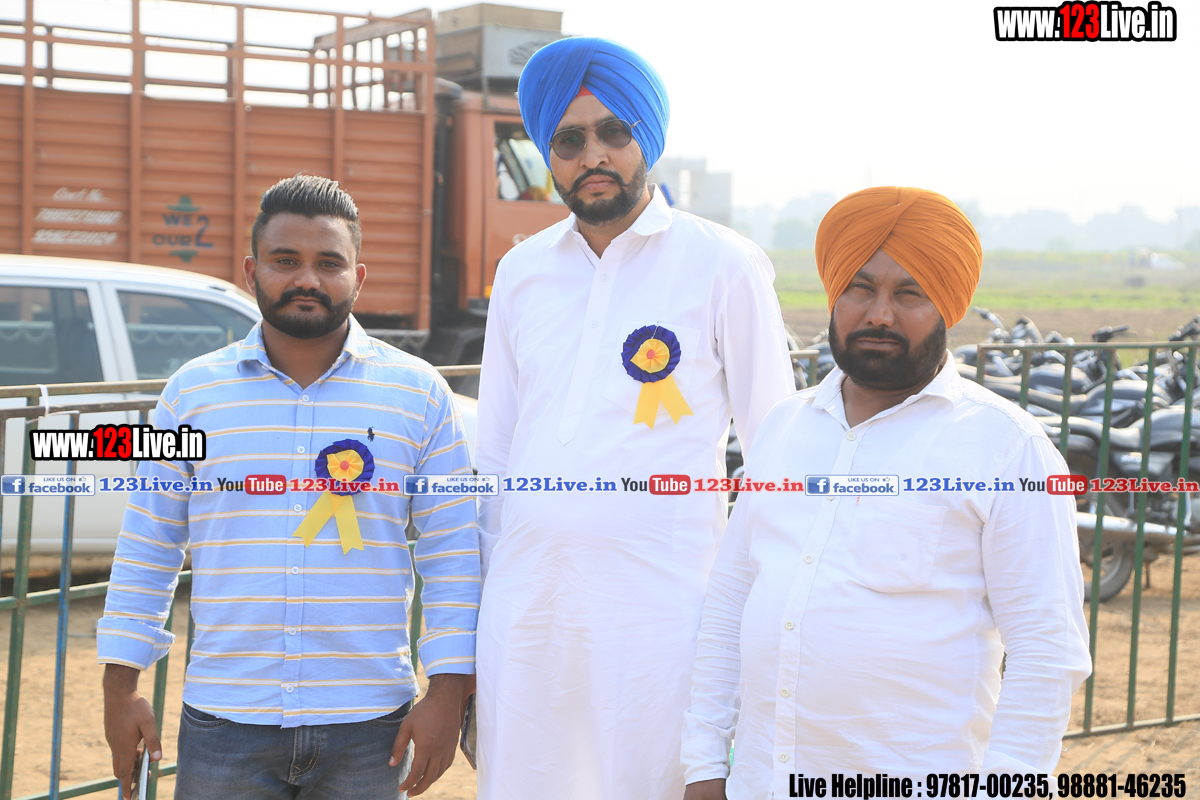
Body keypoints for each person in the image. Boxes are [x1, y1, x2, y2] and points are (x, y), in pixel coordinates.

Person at [682, 186, 1093, 799]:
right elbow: (729, 604)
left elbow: (1046, 651)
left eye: (909, 293)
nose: (879, 314)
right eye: (860, 288)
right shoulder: (785, 427)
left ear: (947, 306)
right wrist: (705, 765)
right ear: (834, 296)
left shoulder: (1007, 448)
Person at [472, 37, 796, 800]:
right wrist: (478, 631)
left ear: (646, 137)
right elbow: (495, 459)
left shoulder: (725, 264)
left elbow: (775, 459)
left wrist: (756, 644)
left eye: (613, 132)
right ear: (548, 154)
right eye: (568, 140)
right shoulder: (520, 272)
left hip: (665, 626)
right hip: (526, 620)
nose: (593, 155)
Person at [98, 175, 480, 800]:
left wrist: (447, 691)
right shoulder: (191, 394)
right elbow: (150, 541)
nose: (307, 279)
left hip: (370, 724)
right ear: (252, 272)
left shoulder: (419, 394)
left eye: (329, 263)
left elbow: (454, 551)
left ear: (358, 277)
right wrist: (121, 688)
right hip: (225, 720)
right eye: (285, 261)